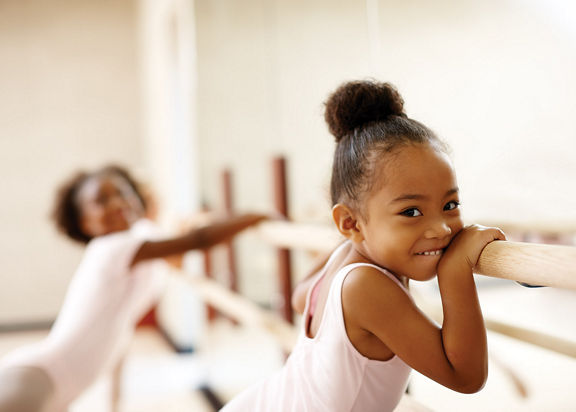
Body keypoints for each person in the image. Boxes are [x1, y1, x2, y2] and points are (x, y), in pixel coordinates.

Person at [221, 80, 506, 412]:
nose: (441, 228)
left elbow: (302, 297)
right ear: (351, 223)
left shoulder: (344, 256)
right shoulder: (365, 287)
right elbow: (466, 377)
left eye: (450, 204)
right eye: (411, 211)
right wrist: (455, 269)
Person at [0, 164, 267, 412]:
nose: (118, 202)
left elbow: (170, 254)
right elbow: (198, 240)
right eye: (101, 201)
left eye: (124, 192)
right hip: (38, 377)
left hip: (58, 386)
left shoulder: (137, 243)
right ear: (85, 223)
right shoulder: (113, 247)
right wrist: (255, 216)